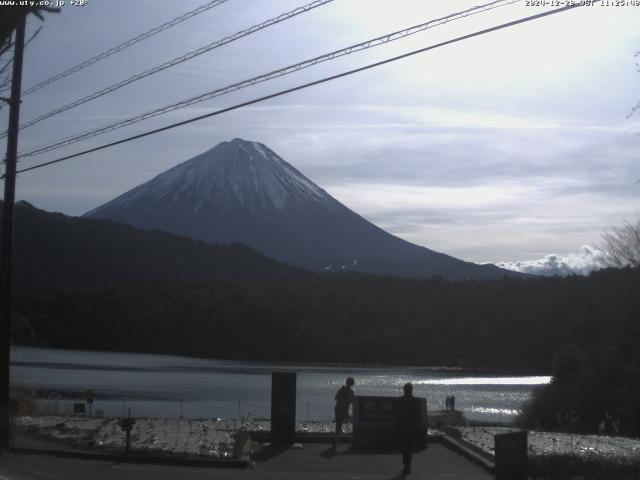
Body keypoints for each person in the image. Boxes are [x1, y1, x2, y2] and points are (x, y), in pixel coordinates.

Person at [395, 382, 421, 475]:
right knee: (409, 447)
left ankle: (406, 464)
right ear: (411, 390)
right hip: (412, 426)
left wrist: (396, 425)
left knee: (404, 447)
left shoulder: (400, 400)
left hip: (402, 426)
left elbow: (396, 414)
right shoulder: (415, 401)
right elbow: (419, 414)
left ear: (404, 390)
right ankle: (408, 464)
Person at [334, 376, 355, 446]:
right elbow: (337, 397)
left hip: (341, 409)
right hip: (341, 409)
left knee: (339, 424)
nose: (349, 383)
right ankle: (337, 439)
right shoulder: (347, 391)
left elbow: (336, 397)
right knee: (339, 424)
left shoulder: (347, 391)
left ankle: (337, 438)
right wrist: (345, 400)